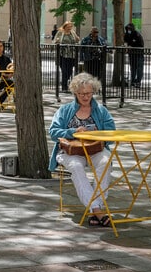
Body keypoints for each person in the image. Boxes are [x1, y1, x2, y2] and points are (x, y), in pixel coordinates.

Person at [49, 73, 116, 228]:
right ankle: (98, 211)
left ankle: (94, 211)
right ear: (75, 93)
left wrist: (96, 134)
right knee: (76, 167)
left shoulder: (101, 110)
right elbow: (53, 132)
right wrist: (72, 132)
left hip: (95, 149)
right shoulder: (65, 110)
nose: (86, 97)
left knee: (105, 162)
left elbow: (112, 134)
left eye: (89, 93)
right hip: (71, 151)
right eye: (81, 94)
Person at [53, 21, 80, 92]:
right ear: (65, 27)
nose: (69, 28)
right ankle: (64, 87)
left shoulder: (72, 32)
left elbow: (76, 40)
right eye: (68, 27)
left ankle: (65, 83)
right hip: (63, 55)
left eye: (71, 27)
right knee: (64, 71)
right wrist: (57, 41)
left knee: (70, 71)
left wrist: (78, 40)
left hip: (71, 55)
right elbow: (55, 41)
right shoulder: (60, 32)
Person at [124, 23, 144, 87]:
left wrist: (132, 46)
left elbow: (140, 44)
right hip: (132, 55)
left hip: (139, 54)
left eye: (130, 29)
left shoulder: (137, 34)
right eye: (127, 29)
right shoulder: (126, 35)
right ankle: (133, 82)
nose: (128, 30)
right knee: (133, 68)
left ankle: (138, 82)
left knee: (139, 69)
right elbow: (125, 42)